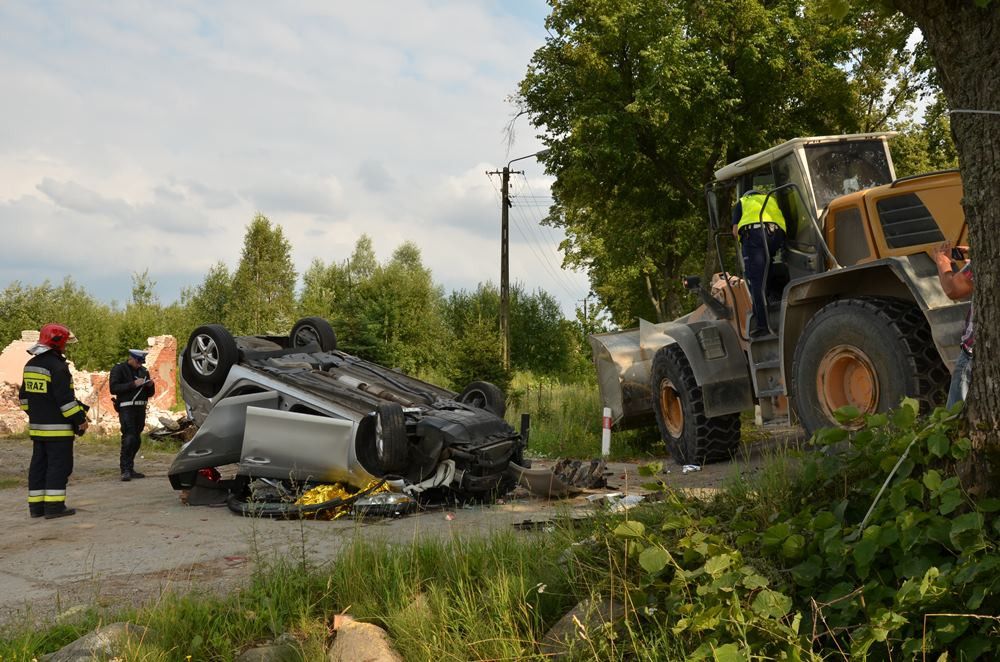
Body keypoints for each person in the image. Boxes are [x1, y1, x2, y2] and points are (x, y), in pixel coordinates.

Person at [19, 323, 89, 519]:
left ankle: (37, 508)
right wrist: (80, 420)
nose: (66, 346)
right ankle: (54, 507)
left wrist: (37, 415)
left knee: (39, 467)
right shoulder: (57, 367)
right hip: (58, 431)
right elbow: (65, 401)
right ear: (58, 343)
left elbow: (24, 398)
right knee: (59, 467)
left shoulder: (31, 364)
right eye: (65, 343)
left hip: (37, 429)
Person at [732, 188, 787, 338]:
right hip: (776, 236)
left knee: (755, 281)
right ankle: (768, 299)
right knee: (765, 275)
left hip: (755, 236)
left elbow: (735, 230)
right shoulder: (770, 200)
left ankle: (762, 324)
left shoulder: (742, 202)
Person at [933, 241, 973, 408]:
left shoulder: (991, 256)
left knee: (954, 419)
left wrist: (942, 260)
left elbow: (952, 289)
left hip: (974, 351)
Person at [109, 349, 155, 481]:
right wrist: (133, 384)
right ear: (132, 359)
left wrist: (150, 385)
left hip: (140, 408)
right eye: (138, 362)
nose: (140, 365)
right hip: (126, 408)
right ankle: (125, 470)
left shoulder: (143, 371)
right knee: (129, 437)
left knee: (136, 439)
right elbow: (114, 388)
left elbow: (150, 394)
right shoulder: (119, 369)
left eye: (142, 362)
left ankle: (131, 467)